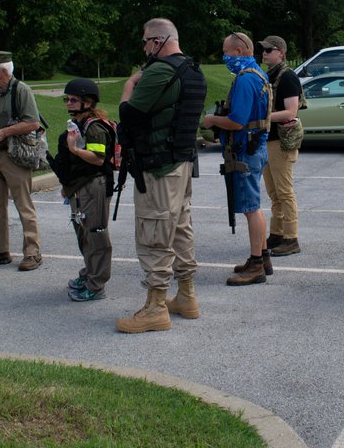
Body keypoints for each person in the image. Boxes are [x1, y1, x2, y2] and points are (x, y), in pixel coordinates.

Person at [116, 19, 207, 333]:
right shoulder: (193, 70)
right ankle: (186, 296)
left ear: (158, 40)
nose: (144, 48)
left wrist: (129, 85)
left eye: (146, 42)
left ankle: (155, 308)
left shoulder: (159, 71)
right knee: (180, 228)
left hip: (158, 168)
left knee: (155, 234)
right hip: (181, 163)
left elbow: (129, 116)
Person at [204, 32, 272, 286]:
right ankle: (262, 257)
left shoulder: (245, 80)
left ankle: (256, 266)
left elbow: (236, 121)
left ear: (240, 51)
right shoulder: (258, 74)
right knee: (255, 206)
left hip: (246, 150)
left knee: (251, 209)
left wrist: (211, 120)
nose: (225, 57)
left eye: (227, 52)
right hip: (256, 147)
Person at [0, 50, 43, 272]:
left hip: (14, 156)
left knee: (24, 204)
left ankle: (32, 253)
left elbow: (33, 123)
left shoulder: (22, 91)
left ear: (3, 71)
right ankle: (0, 251)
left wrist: (2, 133)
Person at [51, 78, 116, 302]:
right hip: (80, 187)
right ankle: (89, 273)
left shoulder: (95, 127)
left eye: (73, 100)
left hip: (94, 186)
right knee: (83, 233)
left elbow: (98, 159)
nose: (68, 103)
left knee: (96, 236)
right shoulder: (77, 124)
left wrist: (75, 150)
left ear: (87, 102)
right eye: (66, 99)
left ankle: (97, 285)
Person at [259, 35, 304, 257]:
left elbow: (291, 112)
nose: (265, 52)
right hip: (269, 140)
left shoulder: (288, 78)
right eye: (263, 49)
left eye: (269, 49)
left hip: (281, 141)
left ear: (281, 52)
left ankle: (291, 238)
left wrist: (261, 117)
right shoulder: (269, 76)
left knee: (284, 192)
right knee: (274, 192)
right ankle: (277, 234)